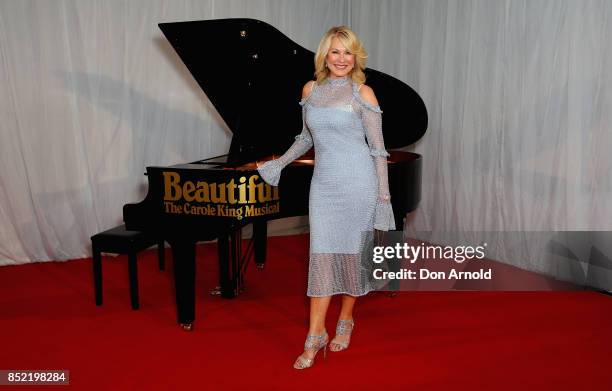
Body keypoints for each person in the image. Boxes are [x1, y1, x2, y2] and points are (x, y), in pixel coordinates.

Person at [257, 26, 395, 369]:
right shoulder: (311, 90)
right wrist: (280, 163)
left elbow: (378, 152)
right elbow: (305, 138)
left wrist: (384, 200)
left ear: (356, 56)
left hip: (358, 184)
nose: (342, 59)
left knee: (352, 254)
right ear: (325, 55)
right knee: (320, 255)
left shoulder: (364, 93)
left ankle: (345, 320)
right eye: (335, 52)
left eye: (348, 52)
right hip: (324, 187)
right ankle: (316, 333)